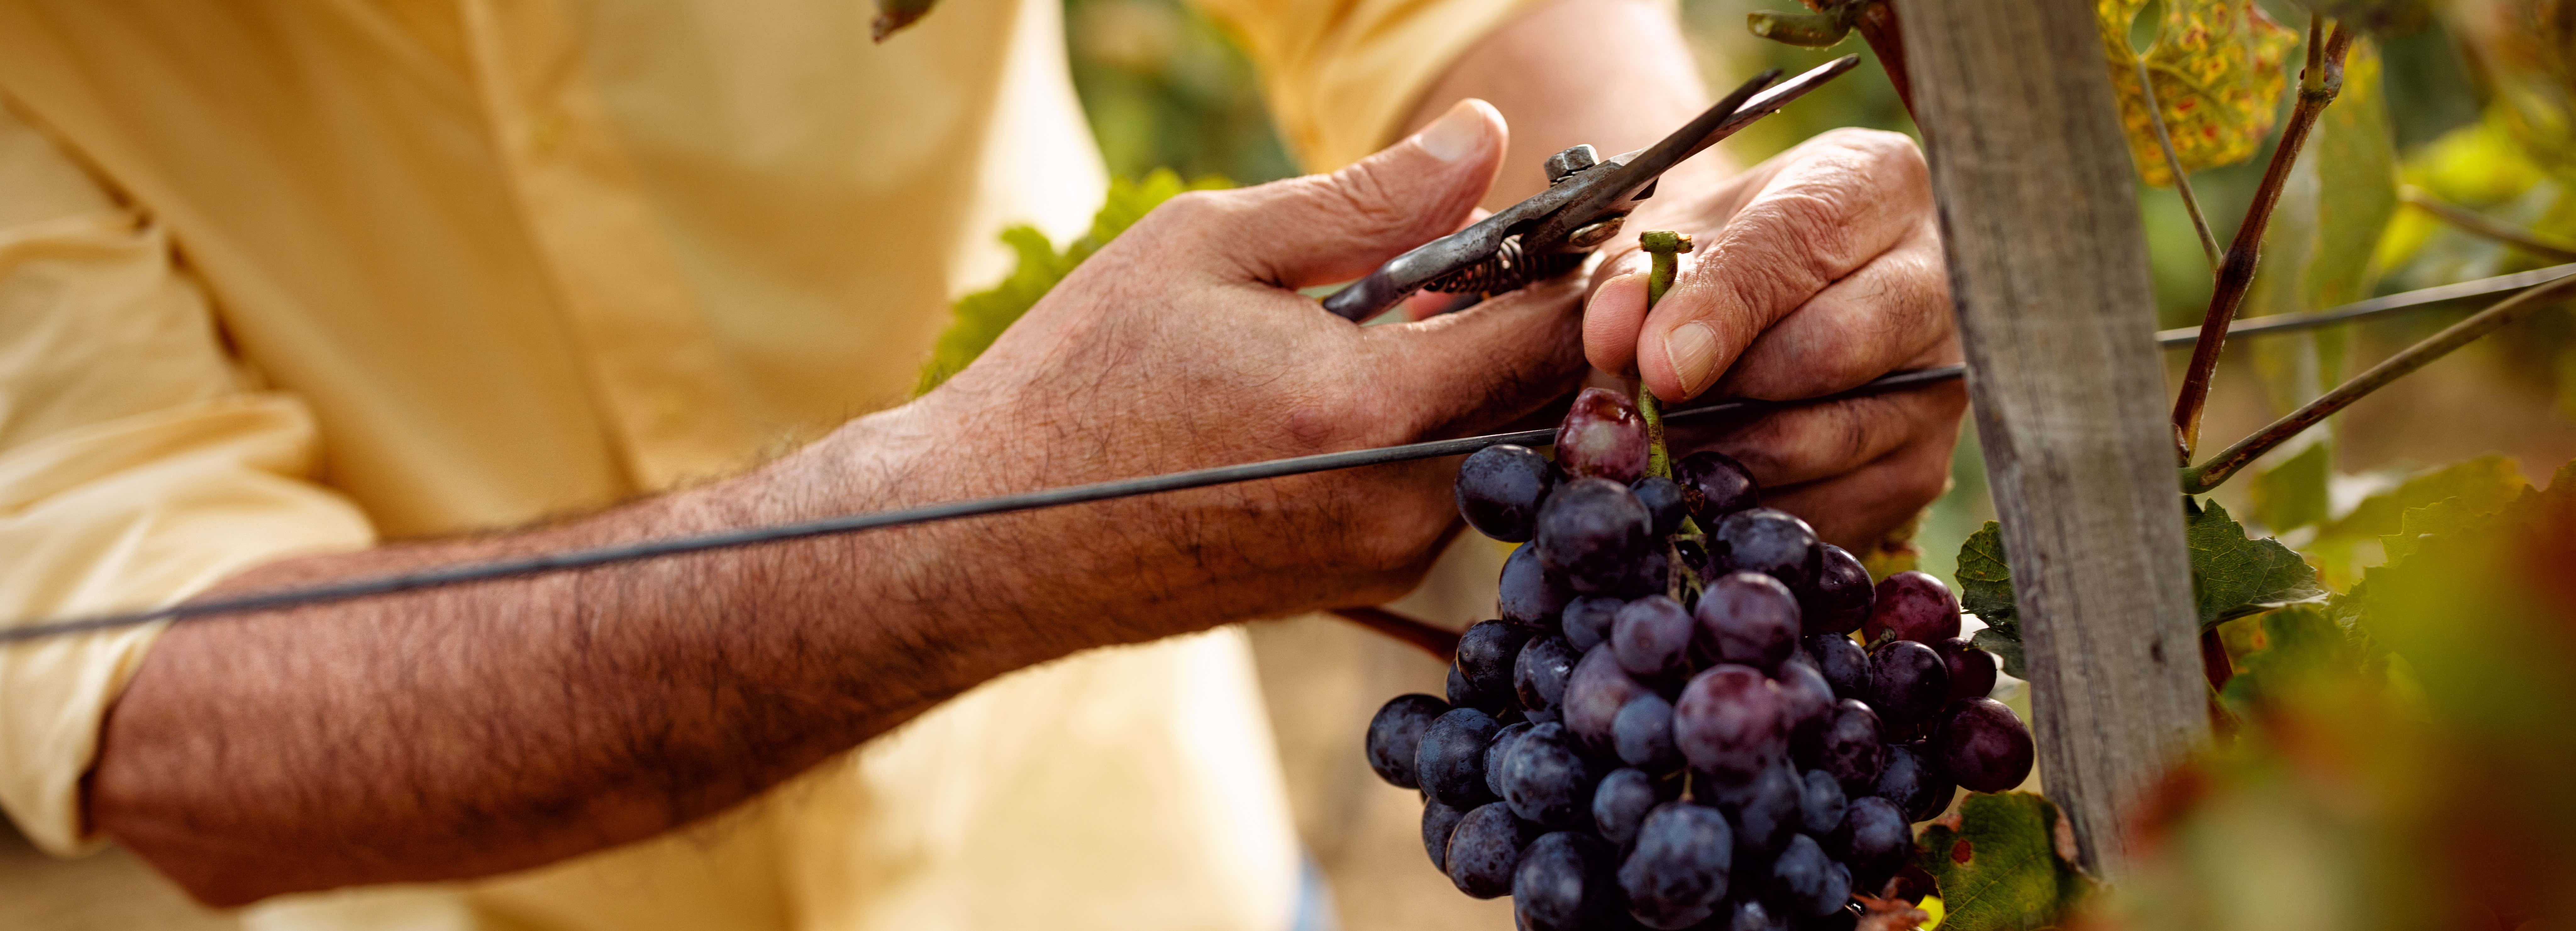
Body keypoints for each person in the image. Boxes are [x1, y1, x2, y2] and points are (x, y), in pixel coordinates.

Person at [0, 0, 1962, 927]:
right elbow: (160, 700)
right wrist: (992, 522)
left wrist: (1684, 248)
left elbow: (1458, 13)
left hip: (1110, 879)